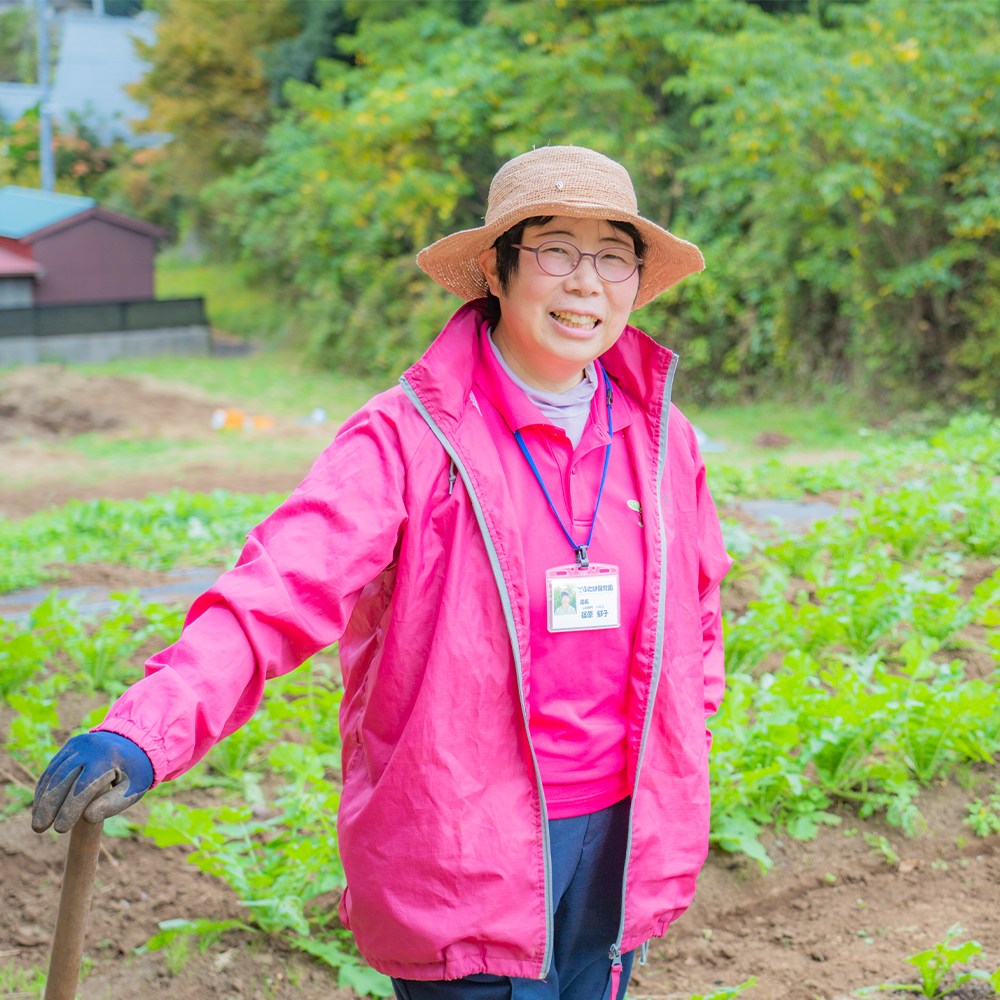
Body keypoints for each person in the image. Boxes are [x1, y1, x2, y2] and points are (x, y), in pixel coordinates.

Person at [32, 146, 731, 1000]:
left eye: (612, 256)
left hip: (621, 843)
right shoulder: (404, 439)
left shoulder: (663, 441)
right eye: (554, 249)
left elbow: (697, 606)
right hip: (466, 848)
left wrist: (678, 751)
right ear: (499, 272)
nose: (585, 282)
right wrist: (146, 729)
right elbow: (275, 592)